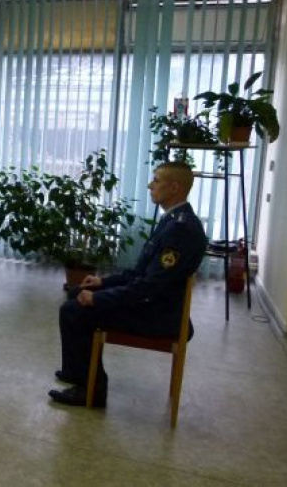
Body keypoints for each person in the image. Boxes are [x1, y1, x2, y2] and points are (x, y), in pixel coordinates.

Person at [49, 161, 207, 408]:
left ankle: (92, 391)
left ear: (175, 187)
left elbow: (148, 287)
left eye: (156, 180)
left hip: (158, 315)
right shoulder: (172, 220)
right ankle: (77, 372)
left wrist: (98, 298)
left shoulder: (180, 230)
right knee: (76, 293)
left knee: (75, 311)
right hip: (153, 304)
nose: (150, 185)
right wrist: (102, 282)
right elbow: (139, 273)